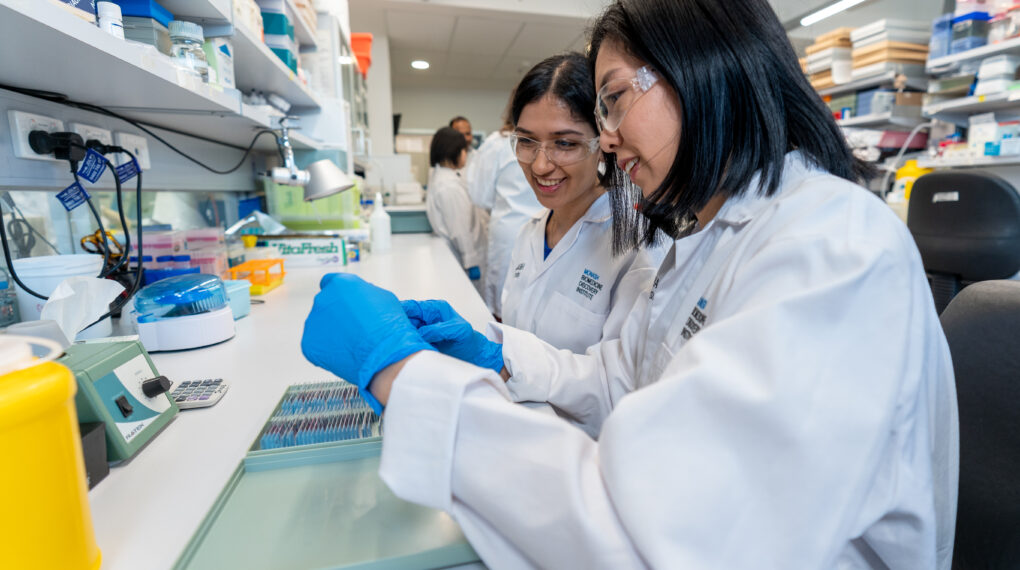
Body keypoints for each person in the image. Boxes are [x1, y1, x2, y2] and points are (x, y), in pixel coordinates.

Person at [302, 1, 959, 568]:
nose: (606, 140)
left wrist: (403, 373)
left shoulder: (833, 250)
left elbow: (659, 538)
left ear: (706, 66)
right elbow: (622, 382)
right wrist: (500, 354)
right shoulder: (704, 239)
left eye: (614, 101)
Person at [497, 52, 665, 354]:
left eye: (564, 144)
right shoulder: (529, 233)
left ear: (603, 144)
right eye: (526, 141)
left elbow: (620, 379)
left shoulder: (635, 245)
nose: (540, 166)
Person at [465, 119, 544, 319]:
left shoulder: (497, 143)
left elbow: (479, 195)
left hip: (509, 229)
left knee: (502, 307)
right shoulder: (559, 138)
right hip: (550, 228)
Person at [425, 127, 489, 290]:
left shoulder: (442, 178)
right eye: (464, 150)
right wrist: (471, 261)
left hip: (456, 256)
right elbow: (459, 229)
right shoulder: (449, 186)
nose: (466, 155)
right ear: (455, 152)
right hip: (464, 259)